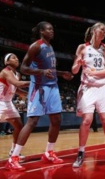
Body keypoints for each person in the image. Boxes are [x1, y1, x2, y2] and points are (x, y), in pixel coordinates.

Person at [5, 21, 74, 171]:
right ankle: (13, 157)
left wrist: (62, 74)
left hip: (53, 86)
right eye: (48, 29)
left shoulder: (50, 46)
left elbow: (49, 69)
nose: (52, 31)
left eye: (52, 29)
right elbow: (23, 68)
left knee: (56, 120)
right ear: (41, 32)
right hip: (39, 87)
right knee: (32, 121)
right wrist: (41, 72)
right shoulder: (36, 46)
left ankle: (49, 153)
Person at [71, 22, 105, 167]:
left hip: (103, 86)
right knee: (86, 120)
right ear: (94, 31)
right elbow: (73, 71)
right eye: (102, 29)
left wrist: (94, 72)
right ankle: (81, 153)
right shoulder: (82, 47)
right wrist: (78, 64)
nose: (104, 32)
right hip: (88, 87)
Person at [0, 53, 30, 160]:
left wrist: (28, 94)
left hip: (8, 103)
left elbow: (16, 89)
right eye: (13, 58)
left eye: (17, 57)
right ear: (7, 62)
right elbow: (17, 84)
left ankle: (13, 151)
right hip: (0, 102)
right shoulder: (5, 71)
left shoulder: (17, 74)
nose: (16, 59)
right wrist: (34, 83)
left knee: (19, 126)